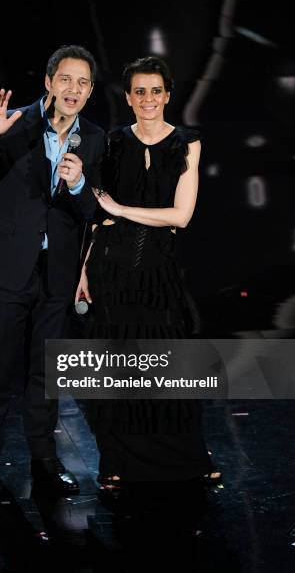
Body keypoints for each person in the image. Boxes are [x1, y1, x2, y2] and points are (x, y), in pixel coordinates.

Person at [0, 45, 105, 497]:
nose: (73, 89)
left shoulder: (94, 139)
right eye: (66, 79)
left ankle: (45, 464)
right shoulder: (14, 123)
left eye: (83, 83)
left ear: (90, 91)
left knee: (47, 375)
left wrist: (77, 185)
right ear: (50, 82)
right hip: (5, 272)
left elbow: (92, 212)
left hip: (57, 275)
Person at [76, 55, 220, 488]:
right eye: (139, 91)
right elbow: (98, 218)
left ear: (168, 95)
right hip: (110, 269)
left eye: (156, 90)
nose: (148, 98)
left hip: (159, 272)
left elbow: (181, 215)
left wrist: (121, 209)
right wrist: (83, 271)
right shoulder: (114, 143)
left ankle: (186, 458)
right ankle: (117, 460)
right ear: (128, 97)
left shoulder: (187, 143)